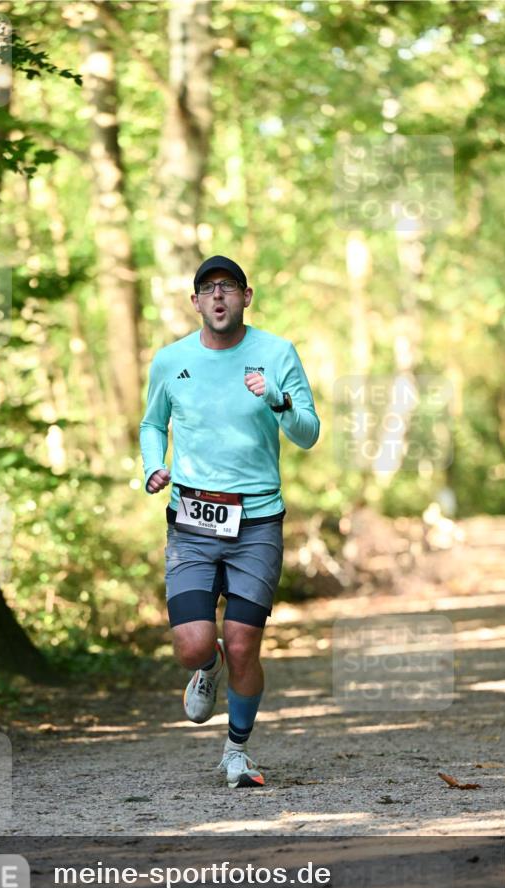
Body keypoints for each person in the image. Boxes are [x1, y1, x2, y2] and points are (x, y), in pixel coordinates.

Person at [139, 255, 320, 788]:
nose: (219, 296)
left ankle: (237, 751)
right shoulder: (171, 360)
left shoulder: (277, 353)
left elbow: (308, 433)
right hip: (191, 518)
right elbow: (153, 424)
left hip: (258, 521)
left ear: (247, 296)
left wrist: (280, 400)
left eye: (229, 287)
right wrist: (154, 466)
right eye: (208, 289)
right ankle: (206, 666)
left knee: (244, 643)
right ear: (195, 302)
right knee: (194, 645)